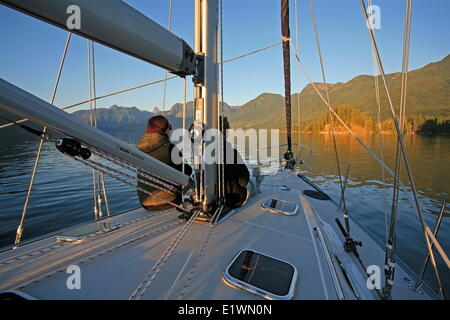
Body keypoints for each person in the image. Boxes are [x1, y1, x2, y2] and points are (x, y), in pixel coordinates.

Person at [136, 115, 191, 211]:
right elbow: (187, 171)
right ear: (164, 130)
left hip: (145, 203)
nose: (170, 130)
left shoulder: (138, 149)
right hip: (169, 201)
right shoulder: (169, 148)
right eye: (169, 127)